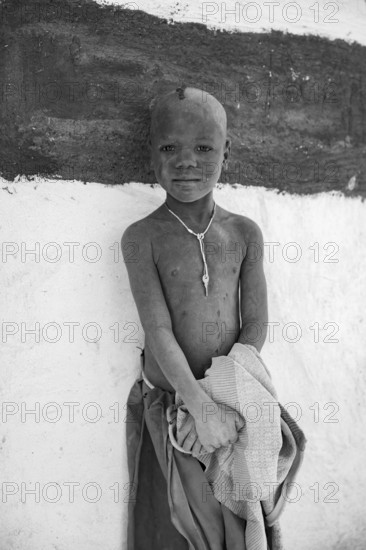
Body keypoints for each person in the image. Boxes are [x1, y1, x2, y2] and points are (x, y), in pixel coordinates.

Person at [122, 85, 270, 549]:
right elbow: (159, 329)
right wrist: (196, 406)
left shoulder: (244, 233)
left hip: (233, 406)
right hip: (171, 410)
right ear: (152, 155)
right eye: (170, 148)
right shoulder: (142, 236)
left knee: (234, 528)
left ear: (228, 153)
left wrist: (218, 401)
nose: (186, 162)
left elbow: (255, 324)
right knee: (175, 533)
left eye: (204, 148)